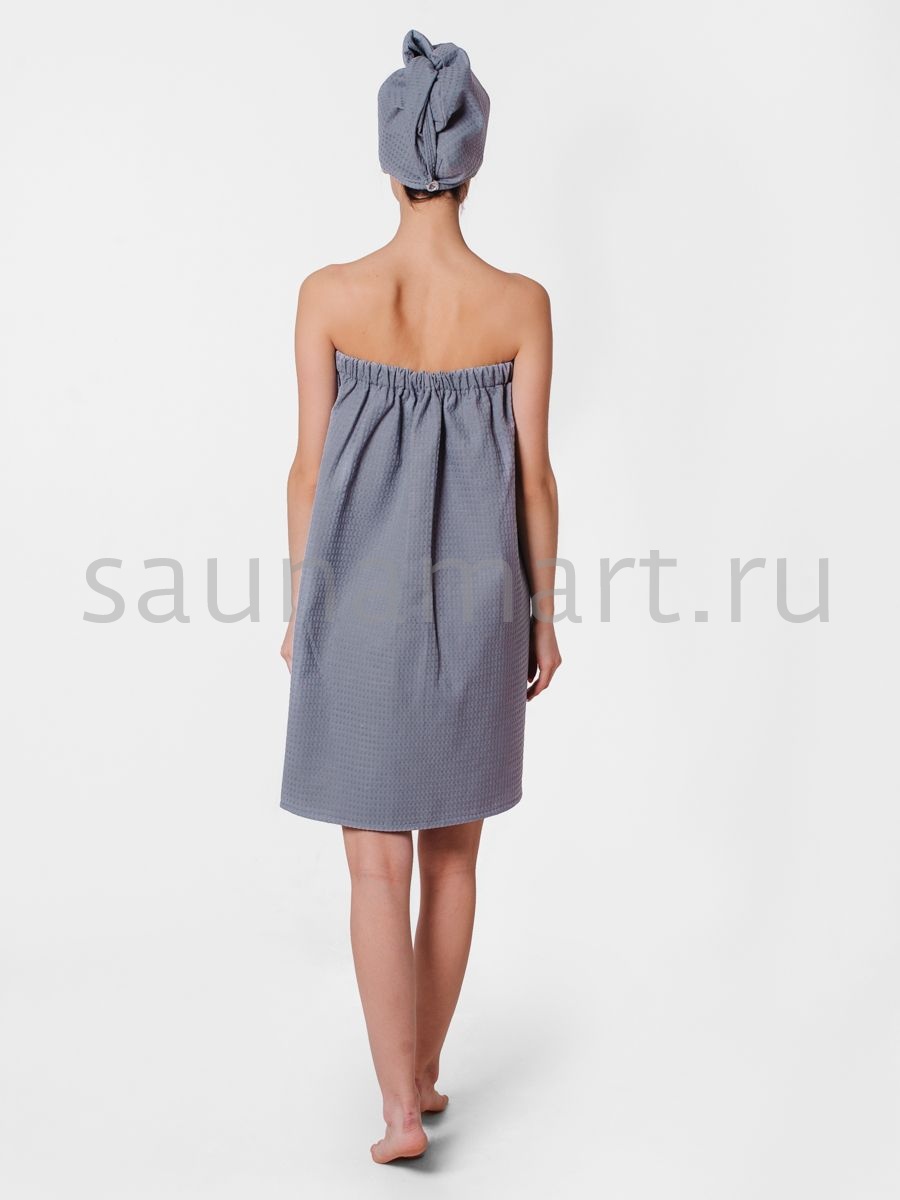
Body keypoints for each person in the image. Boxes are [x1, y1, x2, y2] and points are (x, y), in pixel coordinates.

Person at [279, 30, 561, 1163]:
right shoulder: (520, 304)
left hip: (354, 608)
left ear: (388, 161)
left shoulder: (330, 295)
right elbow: (535, 478)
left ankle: (399, 1109)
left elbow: (307, 470)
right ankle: (426, 1073)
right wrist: (541, 615)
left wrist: (300, 604)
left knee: (373, 865)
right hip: (482, 609)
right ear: (473, 162)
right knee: (452, 859)